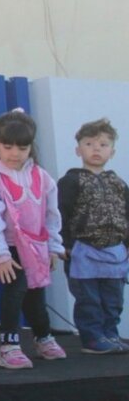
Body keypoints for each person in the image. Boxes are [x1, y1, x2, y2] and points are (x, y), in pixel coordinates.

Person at [0, 109, 68, 369]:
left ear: (30, 147)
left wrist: (53, 248)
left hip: (31, 245)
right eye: (8, 146)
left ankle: (43, 337)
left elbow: (51, 215)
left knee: (35, 290)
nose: (15, 153)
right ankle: (8, 345)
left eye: (22, 148)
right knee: (15, 285)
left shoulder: (42, 178)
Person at [58, 118, 129, 354]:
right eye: (89, 144)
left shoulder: (118, 183)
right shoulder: (71, 181)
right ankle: (92, 337)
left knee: (113, 300)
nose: (96, 149)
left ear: (112, 151)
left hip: (115, 253)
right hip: (83, 251)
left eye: (103, 144)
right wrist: (64, 244)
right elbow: (60, 214)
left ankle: (110, 334)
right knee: (89, 300)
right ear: (78, 149)